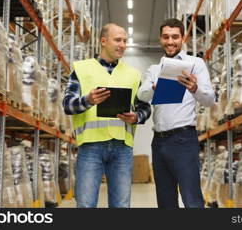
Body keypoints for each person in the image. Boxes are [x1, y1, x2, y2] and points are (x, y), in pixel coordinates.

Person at [62, 23, 151, 208]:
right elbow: (67, 105)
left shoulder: (133, 75)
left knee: (121, 205)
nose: (122, 45)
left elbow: (145, 107)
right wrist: (88, 100)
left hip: (122, 148)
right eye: (118, 40)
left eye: (125, 41)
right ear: (103, 41)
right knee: (85, 205)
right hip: (90, 147)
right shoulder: (81, 69)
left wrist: (136, 117)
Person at [137, 18, 215, 208]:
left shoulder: (195, 63)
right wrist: (155, 86)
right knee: (165, 201)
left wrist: (195, 87)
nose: (170, 41)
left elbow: (210, 100)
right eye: (166, 37)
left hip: (183, 139)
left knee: (191, 199)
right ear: (160, 39)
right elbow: (142, 95)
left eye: (175, 37)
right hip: (159, 141)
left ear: (183, 38)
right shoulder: (154, 69)